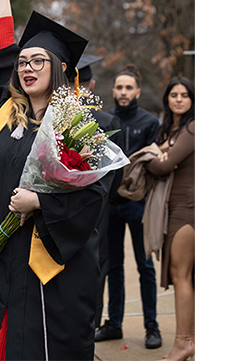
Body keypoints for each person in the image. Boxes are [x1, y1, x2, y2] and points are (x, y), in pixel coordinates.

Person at [0, 0, 114, 361]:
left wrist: (40, 201)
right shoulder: (6, 115)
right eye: (22, 62)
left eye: (37, 61)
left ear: (59, 67)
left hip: (47, 266)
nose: (26, 67)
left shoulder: (76, 123)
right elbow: (0, 45)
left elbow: (94, 195)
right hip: (0, 255)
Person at [95, 64, 162, 349]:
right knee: (113, 267)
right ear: (113, 90)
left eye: (128, 88)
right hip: (110, 204)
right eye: (119, 88)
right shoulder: (104, 119)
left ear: (137, 90)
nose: (123, 92)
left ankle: (151, 326)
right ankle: (114, 323)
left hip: (137, 204)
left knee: (145, 266)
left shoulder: (149, 122)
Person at [146, 76, 195, 361]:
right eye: (174, 94)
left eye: (185, 95)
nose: (178, 99)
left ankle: (183, 344)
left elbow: (162, 165)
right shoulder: (170, 128)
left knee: (182, 275)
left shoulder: (192, 127)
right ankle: (185, 342)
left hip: (187, 209)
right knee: (182, 276)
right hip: (172, 209)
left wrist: (154, 156)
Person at [76, 54, 124, 330]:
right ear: (92, 85)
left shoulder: (53, 117)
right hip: (100, 205)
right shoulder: (107, 120)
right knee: (98, 261)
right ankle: (92, 321)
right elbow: (116, 170)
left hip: (62, 204)